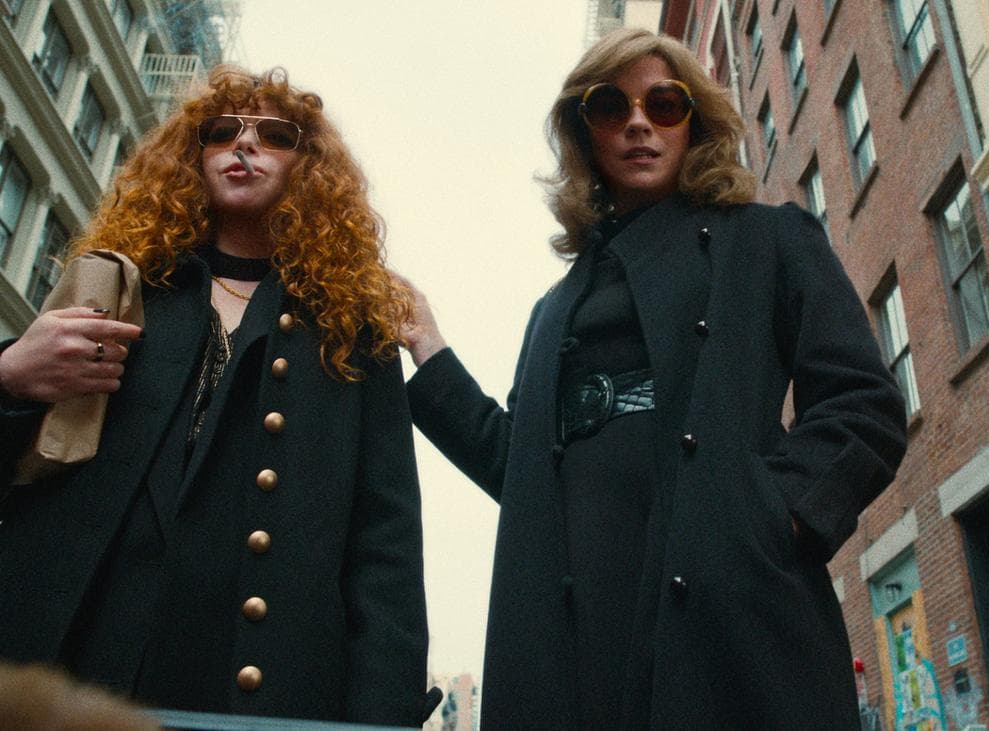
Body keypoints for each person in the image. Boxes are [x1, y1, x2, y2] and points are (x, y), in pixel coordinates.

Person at [400, 28, 907, 728]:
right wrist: (430, 350)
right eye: (612, 106)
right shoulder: (553, 309)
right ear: (586, 133)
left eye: (664, 104)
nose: (639, 122)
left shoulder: (767, 241)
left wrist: (768, 518)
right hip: (572, 623)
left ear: (694, 122)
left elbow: (864, 404)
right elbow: (523, 471)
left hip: (725, 603)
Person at [0, 67, 430, 725]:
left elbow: (385, 544)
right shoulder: (123, 289)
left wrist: (381, 715)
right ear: (193, 156)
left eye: (275, 135)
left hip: (248, 679)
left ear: (308, 167)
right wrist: (9, 376)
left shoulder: (350, 330)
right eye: (222, 131)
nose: (245, 144)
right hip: (77, 658)